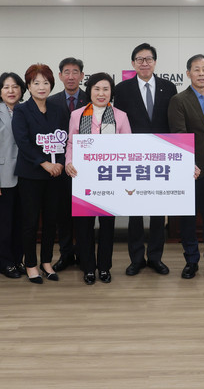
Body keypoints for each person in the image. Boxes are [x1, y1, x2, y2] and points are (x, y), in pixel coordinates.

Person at [113, 43, 178, 276]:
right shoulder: (122, 89)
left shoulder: (169, 87)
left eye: (149, 59)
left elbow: (173, 122)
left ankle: (156, 257)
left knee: (159, 212)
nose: (144, 63)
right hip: (134, 158)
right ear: (133, 63)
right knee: (136, 211)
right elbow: (119, 123)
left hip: (161, 157)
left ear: (155, 62)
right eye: (139, 59)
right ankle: (137, 259)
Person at [66, 72, 131, 285]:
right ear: (90, 91)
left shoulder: (121, 116)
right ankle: (88, 268)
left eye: (105, 89)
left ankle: (104, 267)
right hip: (83, 178)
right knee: (83, 227)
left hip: (109, 179)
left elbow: (128, 147)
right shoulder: (77, 114)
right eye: (97, 89)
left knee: (107, 226)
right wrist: (69, 162)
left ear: (111, 92)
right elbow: (71, 143)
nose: (101, 93)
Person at [167, 54, 204, 281]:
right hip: (188, 167)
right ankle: (191, 261)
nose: (201, 73)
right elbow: (178, 134)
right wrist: (187, 162)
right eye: (196, 69)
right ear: (188, 73)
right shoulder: (179, 100)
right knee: (188, 217)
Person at [12, 64, 69, 284]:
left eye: (45, 82)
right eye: (36, 83)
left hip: (55, 174)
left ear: (51, 85)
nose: (41, 87)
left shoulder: (58, 109)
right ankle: (30, 264)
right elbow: (23, 142)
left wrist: (60, 163)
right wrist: (44, 163)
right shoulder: (21, 110)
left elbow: (65, 139)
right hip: (31, 174)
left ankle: (46, 262)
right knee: (30, 221)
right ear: (28, 86)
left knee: (51, 221)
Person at [47, 57, 88, 272]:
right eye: (66, 72)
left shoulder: (92, 99)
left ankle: (82, 253)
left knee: (82, 214)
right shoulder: (50, 101)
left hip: (86, 167)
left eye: (75, 72)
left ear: (82, 75)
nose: (71, 76)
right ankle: (65, 254)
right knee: (62, 213)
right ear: (60, 76)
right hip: (60, 167)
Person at [0, 72, 26, 279]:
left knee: (22, 224)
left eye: (15, 86)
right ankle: (6, 263)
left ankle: (19, 260)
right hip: (3, 178)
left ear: (21, 90)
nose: (11, 91)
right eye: (6, 87)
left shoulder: (26, 111)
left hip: (25, 177)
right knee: (5, 225)